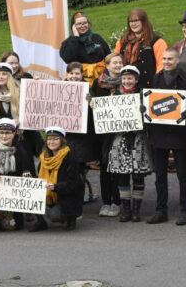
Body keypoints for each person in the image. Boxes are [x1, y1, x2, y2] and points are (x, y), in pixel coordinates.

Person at [146, 48, 186, 226]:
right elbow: (150, 103)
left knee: (182, 175)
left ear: (177, 61)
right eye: (165, 59)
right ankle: (161, 211)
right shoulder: (156, 79)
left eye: (170, 59)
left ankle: (185, 211)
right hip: (159, 134)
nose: (166, 62)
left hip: (179, 134)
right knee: (160, 175)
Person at [107, 65, 152, 222]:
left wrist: (144, 112)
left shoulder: (143, 96)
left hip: (138, 140)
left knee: (138, 176)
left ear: (136, 80)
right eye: (124, 78)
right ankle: (125, 209)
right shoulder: (114, 96)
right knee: (122, 176)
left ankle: (136, 210)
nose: (127, 81)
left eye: (130, 78)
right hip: (120, 140)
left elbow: (151, 119)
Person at [29, 126, 85, 231]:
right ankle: (41, 222)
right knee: (29, 198)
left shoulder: (70, 158)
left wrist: (55, 187)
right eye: (49, 139)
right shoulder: (44, 158)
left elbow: (74, 184)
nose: (52, 142)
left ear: (62, 140)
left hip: (66, 197)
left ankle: (70, 218)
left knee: (55, 216)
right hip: (49, 194)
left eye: (55, 139)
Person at [90, 52, 124, 217]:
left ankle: (117, 202)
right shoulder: (98, 82)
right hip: (103, 133)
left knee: (117, 168)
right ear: (107, 65)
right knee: (105, 168)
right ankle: (106, 201)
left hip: (121, 132)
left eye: (120, 62)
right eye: (114, 63)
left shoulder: (127, 81)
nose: (118, 65)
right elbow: (93, 102)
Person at [0, 62, 40, 159]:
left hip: (21, 139)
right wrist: (8, 123)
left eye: (4, 74)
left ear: (9, 76)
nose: (1, 77)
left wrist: (36, 85)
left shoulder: (21, 91)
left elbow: (31, 112)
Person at [62, 62, 98, 204]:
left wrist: (91, 103)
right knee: (66, 169)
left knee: (80, 169)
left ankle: (80, 197)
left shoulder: (88, 90)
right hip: (65, 136)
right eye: (71, 73)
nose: (74, 76)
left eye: (77, 73)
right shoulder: (58, 88)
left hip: (82, 138)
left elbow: (92, 115)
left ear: (82, 74)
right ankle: (67, 198)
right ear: (67, 74)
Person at [115, 8, 167, 89]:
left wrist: (156, 84)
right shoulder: (122, 42)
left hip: (148, 87)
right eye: (131, 21)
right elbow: (114, 61)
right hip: (125, 88)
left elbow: (162, 66)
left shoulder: (157, 41)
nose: (133, 24)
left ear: (144, 22)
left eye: (136, 21)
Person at [59, 11, 111, 86]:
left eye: (85, 23)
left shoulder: (97, 38)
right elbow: (68, 59)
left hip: (101, 79)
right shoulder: (68, 42)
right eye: (79, 24)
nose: (82, 26)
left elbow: (108, 56)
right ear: (73, 26)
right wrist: (75, 38)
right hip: (78, 81)